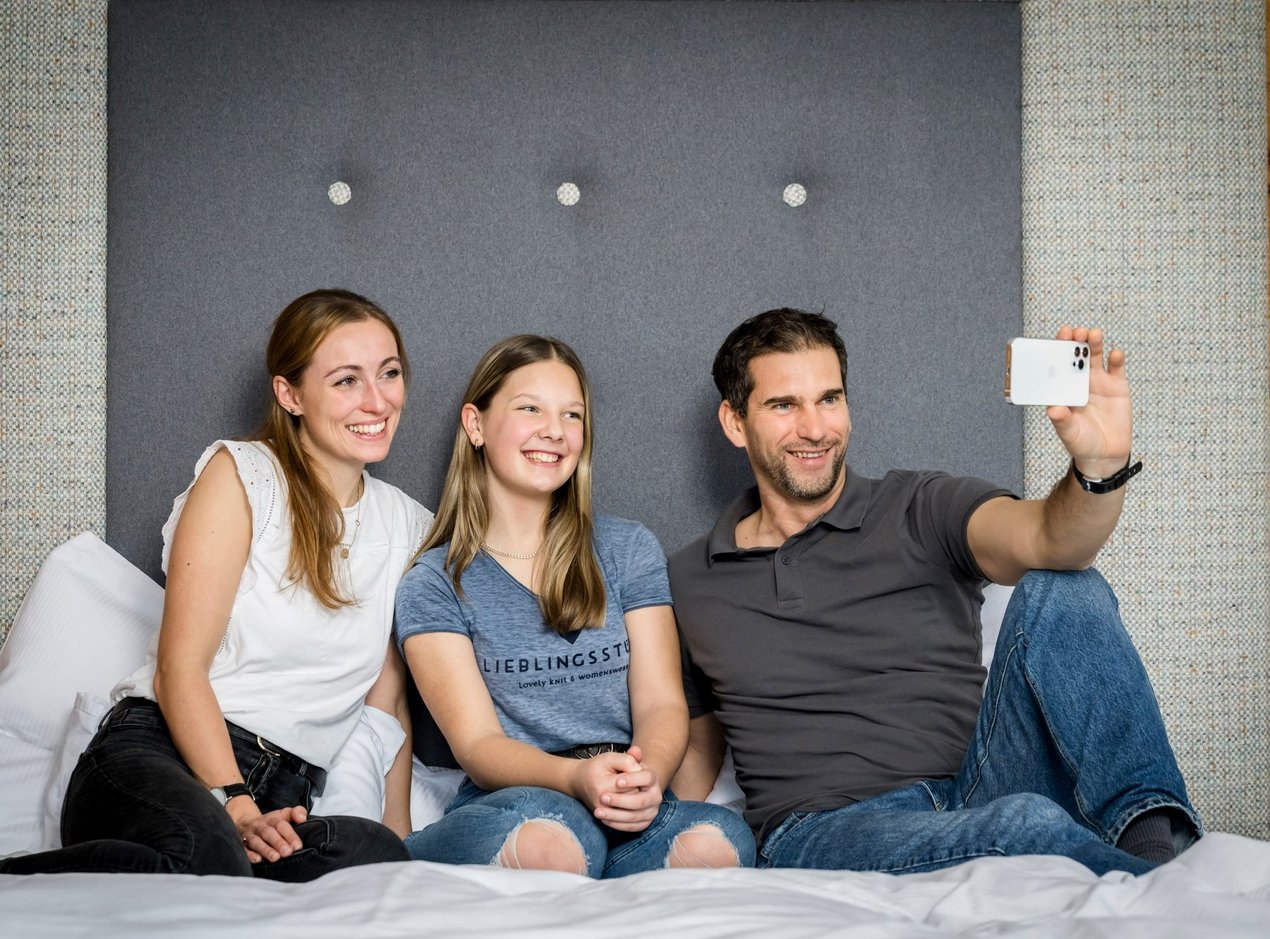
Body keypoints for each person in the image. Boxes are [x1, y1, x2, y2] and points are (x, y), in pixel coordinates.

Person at [668, 307, 1201, 877]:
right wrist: (634, 811)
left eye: (829, 399)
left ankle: (1154, 851)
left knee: (1065, 587)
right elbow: (697, 747)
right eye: (783, 405)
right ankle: (1162, 893)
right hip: (823, 829)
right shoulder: (688, 578)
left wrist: (1100, 466)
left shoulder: (921, 506)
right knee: (1024, 824)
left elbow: (1054, 540)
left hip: (976, 784)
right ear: (734, 421)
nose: (815, 428)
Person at [0, 289, 431, 879]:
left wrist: (401, 842)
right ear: (290, 394)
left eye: (389, 373)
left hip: (286, 793)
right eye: (346, 381)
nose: (377, 400)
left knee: (370, 858)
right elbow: (179, 668)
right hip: (163, 756)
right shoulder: (243, 476)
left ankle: (216, 863)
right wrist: (235, 802)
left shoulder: (408, 524)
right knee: (206, 853)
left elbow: (388, 705)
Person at [395, 335, 755, 877]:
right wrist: (574, 781)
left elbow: (661, 702)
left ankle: (610, 860)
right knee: (554, 841)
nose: (554, 431)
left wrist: (646, 779)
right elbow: (477, 743)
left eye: (572, 415)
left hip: (624, 787)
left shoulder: (627, 549)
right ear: (475, 424)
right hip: (521, 799)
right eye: (529, 408)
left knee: (720, 841)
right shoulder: (434, 583)